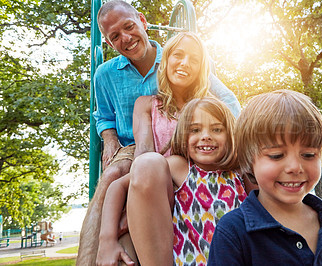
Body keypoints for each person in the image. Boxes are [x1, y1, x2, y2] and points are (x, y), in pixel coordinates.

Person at [77, 0, 241, 264]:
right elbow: (104, 117)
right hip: (134, 146)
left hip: (184, 140)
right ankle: (96, 252)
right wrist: (109, 139)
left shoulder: (176, 56)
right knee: (112, 175)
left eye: (129, 27)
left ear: (142, 21)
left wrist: (228, 138)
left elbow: (225, 102)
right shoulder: (105, 75)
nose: (126, 38)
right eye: (115, 36)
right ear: (108, 43)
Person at [208, 90, 322, 265]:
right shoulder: (233, 232)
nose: (295, 167)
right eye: (276, 155)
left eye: (309, 155)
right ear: (249, 162)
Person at [96, 97, 248, 266]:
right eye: (195, 130)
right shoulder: (180, 168)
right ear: (183, 134)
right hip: (187, 260)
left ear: (230, 135)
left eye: (217, 129)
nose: (206, 136)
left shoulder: (239, 175)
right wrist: (107, 240)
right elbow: (117, 186)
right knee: (147, 162)